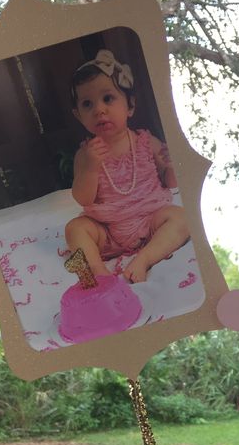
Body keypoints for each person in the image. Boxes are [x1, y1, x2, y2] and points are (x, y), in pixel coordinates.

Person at [65, 49, 189, 283]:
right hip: (108, 231)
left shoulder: (146, 142)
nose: (99, 109)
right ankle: (98, 272)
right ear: (79, 115)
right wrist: (91, 168)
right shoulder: (85, 154)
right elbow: (84, 199)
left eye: (108, 98)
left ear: (130, 105)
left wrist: (172, 167)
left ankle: (144, 259)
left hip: (150, 220)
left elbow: (169, 182)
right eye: (87, 104)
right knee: (74, 229)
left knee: (182, 217)